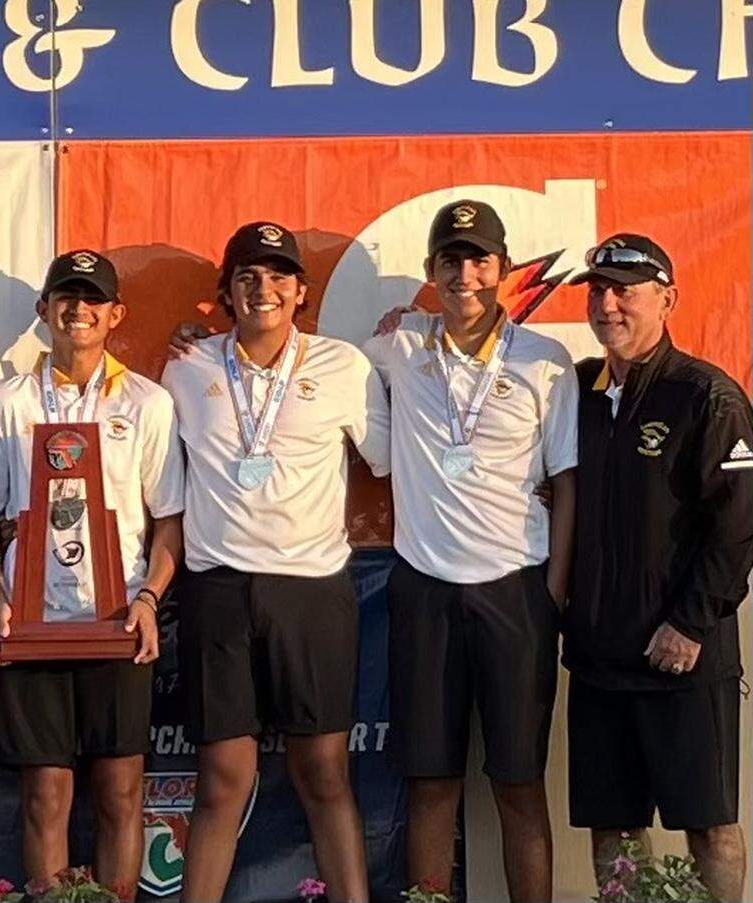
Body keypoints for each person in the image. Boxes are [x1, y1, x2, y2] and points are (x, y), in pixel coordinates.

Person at [355, 200, 578, 902]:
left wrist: (554, 592)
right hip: (424, 589)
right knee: (431, 783)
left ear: (504, 270)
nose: (465, 273)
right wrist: (196, 338)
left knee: (517, 784)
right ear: (430, 272)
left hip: (517, 591)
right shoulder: (399, 346)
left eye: (480, 258)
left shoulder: (546, 361)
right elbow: (309, 368)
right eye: (451, 259)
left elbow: (566, 482)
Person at [162, 222, 390, 903]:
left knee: (324, 770)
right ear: (227, 292)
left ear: (302, 291)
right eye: (247, 276)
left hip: (312, 589)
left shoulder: (342, 365)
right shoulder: (187, 368)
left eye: (278, 276)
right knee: (221, 777)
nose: (264, 288)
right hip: (219, 589)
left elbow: (390, 457)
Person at [0, 250, 183, 898]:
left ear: (116, 313)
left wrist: (148, 598)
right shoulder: (5, 405)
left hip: (116, 623)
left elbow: (168, 520)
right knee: (45, 793)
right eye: (66, 295)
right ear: (44, 310)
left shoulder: (149, 402)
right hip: (34, 626)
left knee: (121, 790)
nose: (78, 308)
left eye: (93, 298)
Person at [564, 234, 753, 902]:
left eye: (625, 289)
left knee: (710, 827)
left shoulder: (705, 394)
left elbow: (737, 524)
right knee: (612, 829)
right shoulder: (577, 393)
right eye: (598, 289)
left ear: (667, 299)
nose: (608, 304)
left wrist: (689, 622)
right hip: (597, 658)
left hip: (682, 656)